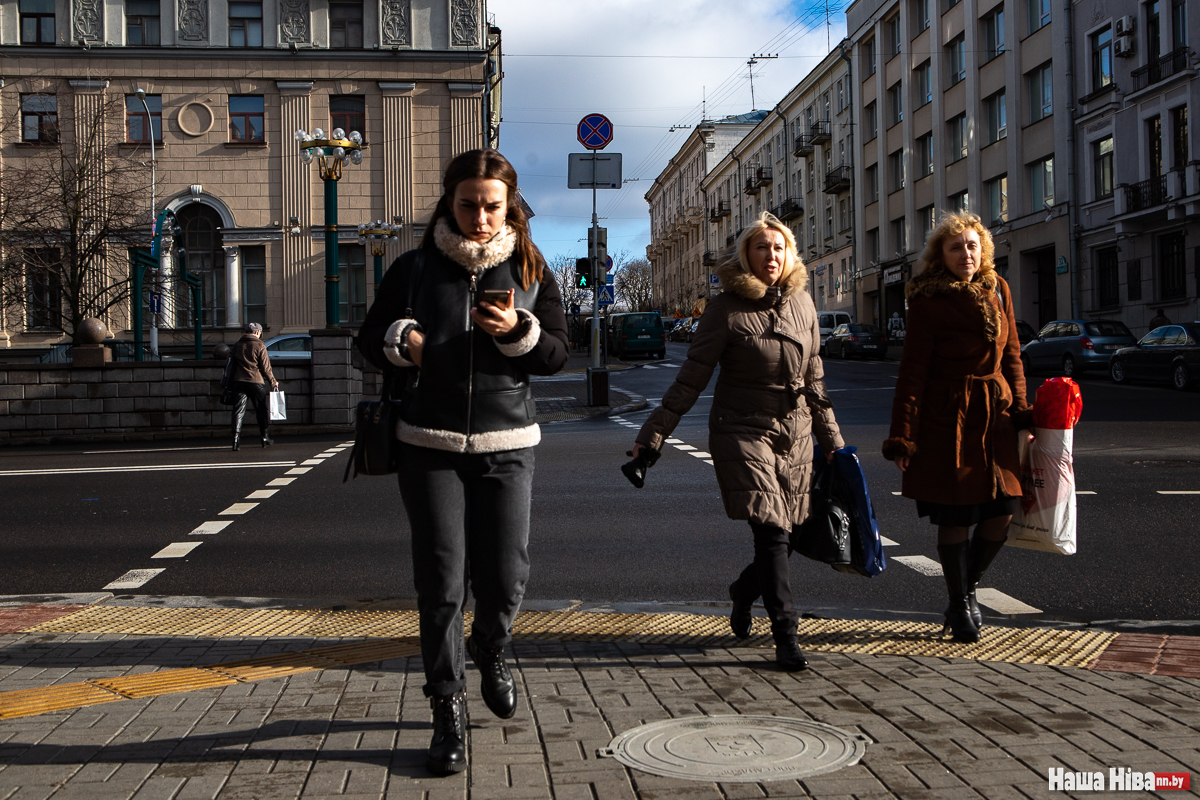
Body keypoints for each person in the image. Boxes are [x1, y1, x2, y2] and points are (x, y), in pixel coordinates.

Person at [357, 149, 568, 777]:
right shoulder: (415, 268)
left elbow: (558, 354)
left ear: (510, 208)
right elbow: (368, 341)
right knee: (442, 586)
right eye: (468, 203)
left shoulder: (530, 266)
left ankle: (492, 645)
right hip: (429, 445)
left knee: (506, 577)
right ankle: (445, 708)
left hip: (508, 445)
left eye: (492, 206)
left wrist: (516, 331)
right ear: (449, 202)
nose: (480, 217)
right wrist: (405, 342)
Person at [630, 212, 844, 672]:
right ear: (746, 255)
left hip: (798, 433)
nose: (772, 256)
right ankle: (786, 634)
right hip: (743, 431)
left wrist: (834, 443)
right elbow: (690, 380)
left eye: (779, 248)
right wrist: (653, 435)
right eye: (762, 247)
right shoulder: (725, 309)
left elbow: (815, 379)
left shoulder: (804, 305)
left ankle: (743, 592)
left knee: (789, 537)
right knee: (770, 532)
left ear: (790, 255)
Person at [882, 212, 1031, 644]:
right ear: (940, 255)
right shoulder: (927, 300)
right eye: (955, 247)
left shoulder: (998, 289)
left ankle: (962, 594)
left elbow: (1014, 357)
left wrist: (1022, 410)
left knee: (1000, 515)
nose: (966, 253)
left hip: (997, 416)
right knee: (957, 514)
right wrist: (903, 435)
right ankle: (961, 603)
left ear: (982, 248)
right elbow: (912, 372)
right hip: (950, 418)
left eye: (971, 245)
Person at [228, 322, 277, 451]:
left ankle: (235, 438)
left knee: (238, 411)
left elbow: (231, 365)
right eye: (260, 332)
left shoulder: (238, 345)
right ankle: (264, 437)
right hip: (256, 381)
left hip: (238, 381)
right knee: (261, 410)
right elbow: (265, 367)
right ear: (257, 332)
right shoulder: (259, 345)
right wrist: (272, 381)